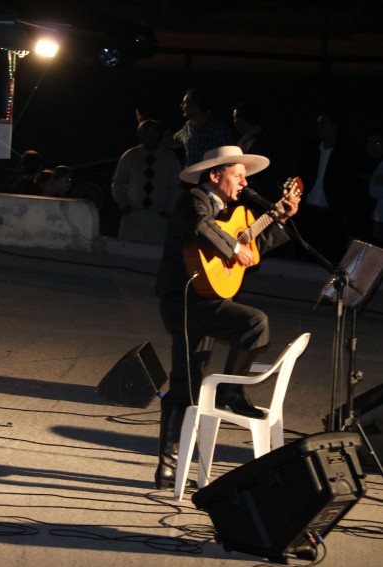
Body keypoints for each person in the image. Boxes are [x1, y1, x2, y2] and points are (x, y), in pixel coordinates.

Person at [154, 146, 300, 490]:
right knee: (254, 323)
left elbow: (253, 248)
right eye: (238, 175)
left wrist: (280, 218)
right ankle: (231, 393)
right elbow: (204, 229)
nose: (244, 181)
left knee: (186, 383)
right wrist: (235, 248)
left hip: (206, 299)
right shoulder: (194, 200)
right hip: (185, 303)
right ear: (216, 175)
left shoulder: (232, 214)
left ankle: (167, 469)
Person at [297, 110, 361, 263]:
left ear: (334, 127)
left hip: (332, 214)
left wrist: (345, 212)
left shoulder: (347, 152)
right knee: (305, 256)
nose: (319, 128)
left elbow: (350, 185)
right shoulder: (310, 149)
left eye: (323, 124)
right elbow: (301, 176)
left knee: (332, 258)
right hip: (310, 211)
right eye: (318, 124)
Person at [112, 120, 182, 243]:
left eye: (153, 134)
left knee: (156, 254)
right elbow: (118, 182)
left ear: (159, 135)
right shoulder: (130, 156)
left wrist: (168, 210)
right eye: (146, 134)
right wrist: (123, 204)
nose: (150, 137)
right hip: (133, 216)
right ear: (140, 135)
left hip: (158, 217)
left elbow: (176, 186)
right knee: (127, 250)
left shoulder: (170, 158)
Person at [172, 88, 235, 166]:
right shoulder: (187, 126)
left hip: (209, 176)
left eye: (185, 103)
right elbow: (174, 141)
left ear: (194, 105)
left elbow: (228, 160)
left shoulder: (218, 130)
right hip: (190, 176)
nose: (181, 105)